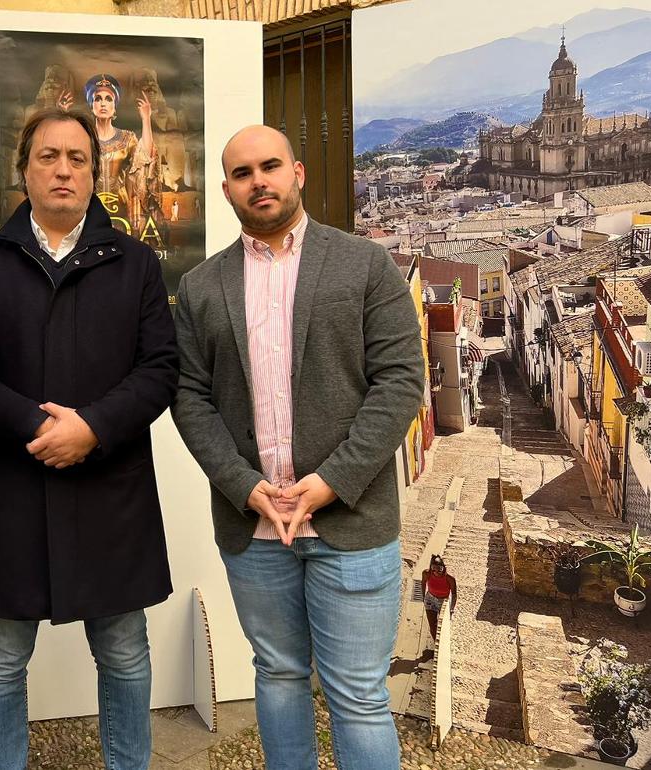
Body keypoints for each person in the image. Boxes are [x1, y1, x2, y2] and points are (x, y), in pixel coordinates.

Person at [171, 125, 425, 770]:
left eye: (270, 166)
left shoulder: (365, 265)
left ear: (298, 173)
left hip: (351, 521)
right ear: (226, 188)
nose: (258, 180)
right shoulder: (201, 288)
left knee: (359, 696)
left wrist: (332, 481)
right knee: (278, 676)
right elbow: (189, 398)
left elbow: (400, 382)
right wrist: (243, 485)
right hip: (253, 528)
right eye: (241, 172)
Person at [0, 106, 178, 770]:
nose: (64, 169)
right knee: (0, 658)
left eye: (77, 158)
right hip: (12, 487)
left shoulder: (136, 264)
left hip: (110, 488)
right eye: (49, 157)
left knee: (125, 653)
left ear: (95, 173)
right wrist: (37, 425)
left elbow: (160, 370)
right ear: (25, 170)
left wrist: (93, 428)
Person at [60, 74, 157, 237]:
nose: (103, 103)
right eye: (98, 98)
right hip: (88, 206)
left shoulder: (127, 137)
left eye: (108, 99)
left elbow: (146, 158)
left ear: (114, 106)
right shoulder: (83, 137)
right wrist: (62, 116)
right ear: (92, 106)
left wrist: (146, 119)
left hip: (122, 206)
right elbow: (63, 150)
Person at [421, 555, 458, 657]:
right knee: (433, 626)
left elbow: (454, 594)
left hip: (443, 602)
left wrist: (451, 609)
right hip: (430, 600)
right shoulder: (426, 574)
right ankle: (437, 647)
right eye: (434, 568)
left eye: (440, 568)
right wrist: (423, 597)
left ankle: (442, 644)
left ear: (443, 567)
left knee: (441, 627)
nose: (438, 571)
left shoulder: (450, 579)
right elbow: (423, 583)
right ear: (431, 568)